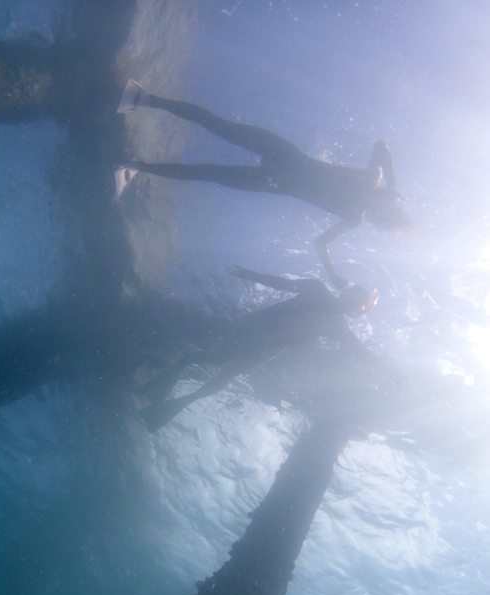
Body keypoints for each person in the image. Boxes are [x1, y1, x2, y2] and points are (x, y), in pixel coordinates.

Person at [116, 80, 412, 289]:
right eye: (386, 216)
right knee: (219, 126)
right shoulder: (371, 179)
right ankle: (144, 99)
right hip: (286, 155)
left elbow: (320, 243)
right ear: (390, 203)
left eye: (381, 224)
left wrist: (333, 275)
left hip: (274, 182)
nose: (378, 220)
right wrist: (394, 184)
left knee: (206, 173)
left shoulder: (354, 218)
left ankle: (136, 167)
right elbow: (382, 145)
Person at [138, 266, 381, 433]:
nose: (348, 300)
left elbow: (360, 352)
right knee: (219, 360)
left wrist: (389, 370)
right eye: (351, 295)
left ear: (354, 308)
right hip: (258, 327)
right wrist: (249, 274)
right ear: (346, 294)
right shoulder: (318, 291)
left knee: (224, 374)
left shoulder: (337, 324)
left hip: (269, 345)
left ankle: (174, 402)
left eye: (354, 301)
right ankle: (179, 371)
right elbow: (281, 283)